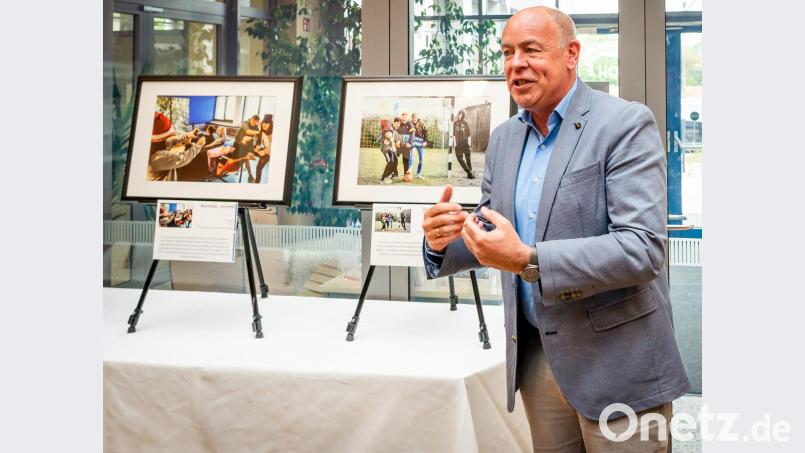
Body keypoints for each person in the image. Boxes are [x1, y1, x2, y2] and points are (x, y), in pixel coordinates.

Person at [421, 6, 689, 452]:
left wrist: (528, 260)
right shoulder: (505, 138)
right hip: (537, 363)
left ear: (572, 53)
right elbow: (494, 234)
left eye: (530, 49)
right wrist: (441, 241)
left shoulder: (624, 124)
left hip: (617, 367)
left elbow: (642, 250)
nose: (516, 63)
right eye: (507, 52)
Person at [148, 112, 206, 181]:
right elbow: (184, 157)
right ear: (160, 140)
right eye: (169, 136)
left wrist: (189, 135)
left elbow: (171, 141)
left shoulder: (154, 144)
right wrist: (199, 145)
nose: (172, 137)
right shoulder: (157, 158)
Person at [233, 114, 262, 182]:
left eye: (256, 122)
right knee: (245, 159)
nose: (254, 123)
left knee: (246, 158)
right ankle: (249, 175)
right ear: (251, 119)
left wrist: (258, 144)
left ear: (257, 122)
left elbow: (259, 138)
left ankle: (249, 175)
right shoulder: (245, 123)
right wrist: (260, 132)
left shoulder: (256, 127)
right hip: (238, 143)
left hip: (247, 145)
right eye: (253, 121)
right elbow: (247, 131)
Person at [452, 109, 475, 179]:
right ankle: (469, 172)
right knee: (459, 159)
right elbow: (454, 135)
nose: (459, 115)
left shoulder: (466, 123)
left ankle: (470, 175)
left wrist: (469, 145)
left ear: (463, 115)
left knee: (468, 159)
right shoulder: (455, 123)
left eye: (461, 114)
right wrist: (455, 144)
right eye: (459, 114)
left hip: (465, 143)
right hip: (458, 144)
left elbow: (469, 135)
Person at [253, 114, 273, 184]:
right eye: (263, 123)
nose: (264, 125)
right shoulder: (262, 131)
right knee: (258, 168)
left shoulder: (274, 133)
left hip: (271, 152)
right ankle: (257, 182)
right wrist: (257, 146)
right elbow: (258, 140)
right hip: (266, 151)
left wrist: (265, 151)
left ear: (270, 124)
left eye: (267, 123)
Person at [410, 112, 428, 179]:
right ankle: (410, 172)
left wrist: (425, 141)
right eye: (413, 117)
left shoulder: (421, 124)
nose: (414, 118)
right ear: (411, 118)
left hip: (420, 143)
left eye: (415, 117)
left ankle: (418, 173)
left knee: (421, 159)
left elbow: (426, 132)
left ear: (417, 117)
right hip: (413, 143)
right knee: (412, 157)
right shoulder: (410, 124)